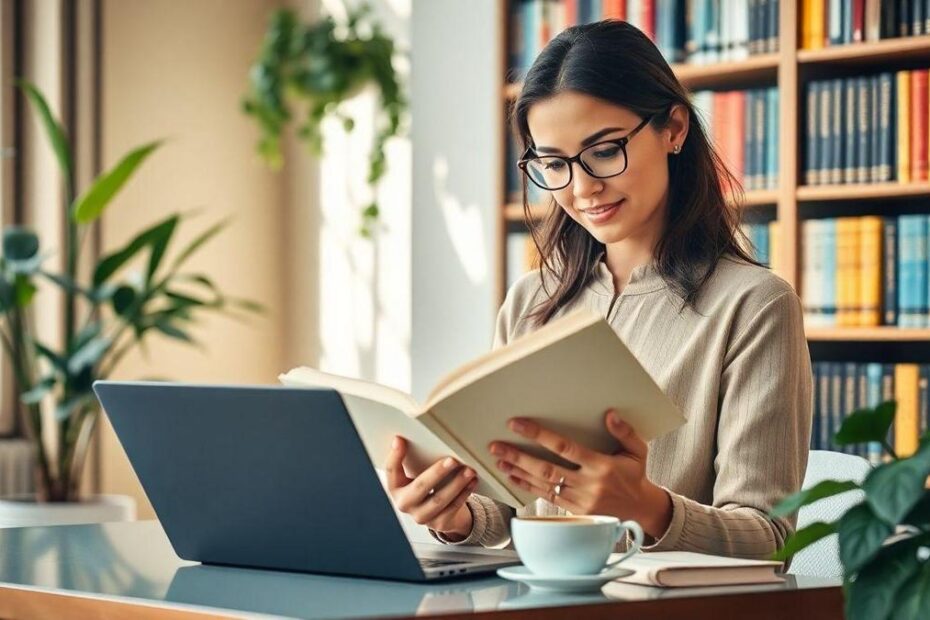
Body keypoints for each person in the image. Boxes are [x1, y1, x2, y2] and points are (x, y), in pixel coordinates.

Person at [384, 20, 812, 560]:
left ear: (674, 128)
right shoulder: (530, 303)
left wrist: (647, 506)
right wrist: (454, 513)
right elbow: (506, 506)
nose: (583, 188)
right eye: (554, 164)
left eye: (605, 151)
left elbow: (771, 541)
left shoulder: (753, 305)